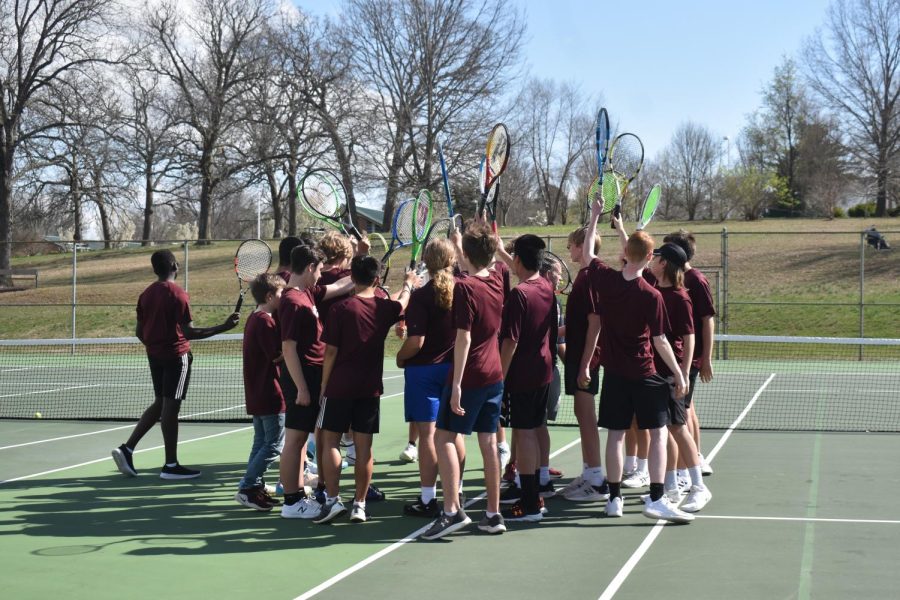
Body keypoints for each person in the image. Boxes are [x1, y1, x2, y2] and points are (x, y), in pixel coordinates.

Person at [582, 202, 693, 523]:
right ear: (649, 258)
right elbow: (660, 341)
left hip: (614, 373)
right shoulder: (652, 295)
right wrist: (678, 373)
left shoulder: (605, 280)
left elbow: (589, 252)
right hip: (644, 374)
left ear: (624, 253)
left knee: (615, 435)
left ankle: (614, 498)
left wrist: (593, 216)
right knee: (658, 434)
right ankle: (657, 497)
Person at [112, 250, 239, 479]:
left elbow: (140, 332)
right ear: (174, 265)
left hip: (155, 355)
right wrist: (224, 327)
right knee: (171, 407)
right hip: (175, 357)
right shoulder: (178, 294)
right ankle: (171, 465)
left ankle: (127, 448)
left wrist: (156, 347)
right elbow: (189, 332)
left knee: (161, 402)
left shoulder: (146, 294)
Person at [421, 220, 508, 540]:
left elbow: (464, 339)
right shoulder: (498, 279)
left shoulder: (466, 288)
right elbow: (488, 262)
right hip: (495, 375)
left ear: (467, 256)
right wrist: (463, 245)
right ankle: (493, 513)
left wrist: (455, 384)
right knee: (488, 443)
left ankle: (451, 511)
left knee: (443, 438)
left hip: (470, 375)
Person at [316, 256, 416, 524]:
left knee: (330, 443)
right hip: (369, 389)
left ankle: (333, 500)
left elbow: (330, 353)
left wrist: (324, 384)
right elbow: (402, 302)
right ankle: (359, 504)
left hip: (339, 386)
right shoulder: (384, 309)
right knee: (364, 449)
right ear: (377, 279)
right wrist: (408, 283)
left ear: (353, 278)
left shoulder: (340, 309)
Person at [278, 245, 354, 519]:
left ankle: (297, 495)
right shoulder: (292, 302)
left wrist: (360, 274)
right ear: (310, 267)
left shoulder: (307, 293)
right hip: (302, 379)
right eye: (320, 270)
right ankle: (291, 502)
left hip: (311, 376)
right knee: (295, 439)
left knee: (299, 440)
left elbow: (338, 287)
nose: (322, 275)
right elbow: (288, 348)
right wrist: (301, 388)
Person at [646, 242, 712, 512]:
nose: (652, 259)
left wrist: (683, 374)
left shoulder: (680, 296)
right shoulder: (652, 289)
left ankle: (698, 486)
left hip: (672, 373)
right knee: (661, 431)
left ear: (664, 264)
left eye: (657, 256)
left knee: (677, 427)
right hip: (653, 372)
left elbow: (689, 336)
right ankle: (671, 488)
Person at [397, 238, 458, 519]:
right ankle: (454, 493)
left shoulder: (421, 297)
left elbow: (416, 342)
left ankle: (428, 499)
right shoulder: (464, 290)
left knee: (429, 437)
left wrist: (400, 357)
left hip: (424, 373)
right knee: (452, 434)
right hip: (452, 370)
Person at [497, 234, 556, 523]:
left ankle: (531, 503)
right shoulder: (546, 286)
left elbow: (510, 343)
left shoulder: (520, 294)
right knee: (529, 431)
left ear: (518, 260)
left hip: (523, 375)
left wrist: (499, 378)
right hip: (543, 370)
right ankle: (531, 496)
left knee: (525, 433)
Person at [559, 227, 608, 502]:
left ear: (582, 245)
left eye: (570, 246)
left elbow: (595, 323)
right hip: (578, 354)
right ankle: (590, 472)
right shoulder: (583, 276)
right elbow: (578, 323)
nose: (569, 251)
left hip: (585, 358)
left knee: (587, 418)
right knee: (581, 413)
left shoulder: (589, 278)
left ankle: (597, 480)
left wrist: (586, 363)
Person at [663, 230, 717, 476]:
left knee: (681, 414)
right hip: (681, 356)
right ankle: (695, 457)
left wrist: (706, 357)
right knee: (688, 408)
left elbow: (707, 320)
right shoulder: (675, 278)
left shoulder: (695, 279)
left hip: (690, 357)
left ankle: (686, 470)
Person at [235, 273, 287, 511]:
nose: (284, 297)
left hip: (258, 391)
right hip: (269, 392)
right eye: (280, 293)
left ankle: (253, 486)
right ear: (269, 296)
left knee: (261, 442)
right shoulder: (265, 321)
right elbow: (276, 355)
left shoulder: (254, 318)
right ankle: (247, 486)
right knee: (274, 444)